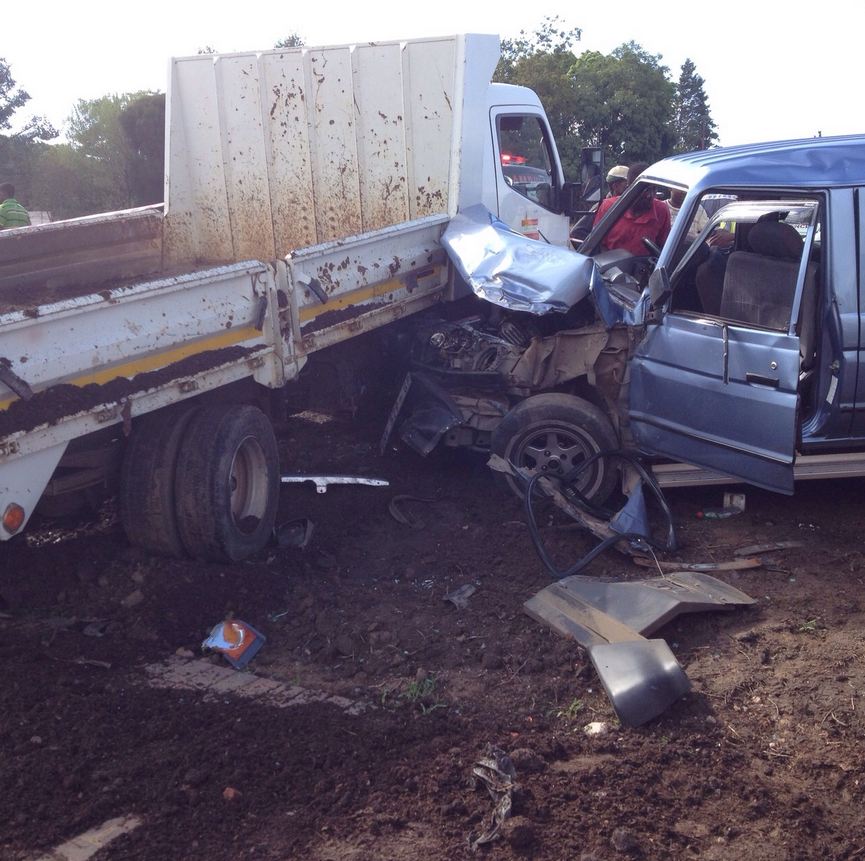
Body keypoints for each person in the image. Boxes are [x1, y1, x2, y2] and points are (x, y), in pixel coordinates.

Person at [593, 162, 670, 256]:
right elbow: (597, 245)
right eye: (645, 190)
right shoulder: (608, 207)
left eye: (654, 189)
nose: (650, 195)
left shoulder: (661, 210)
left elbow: (663, 247)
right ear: (629, 189)